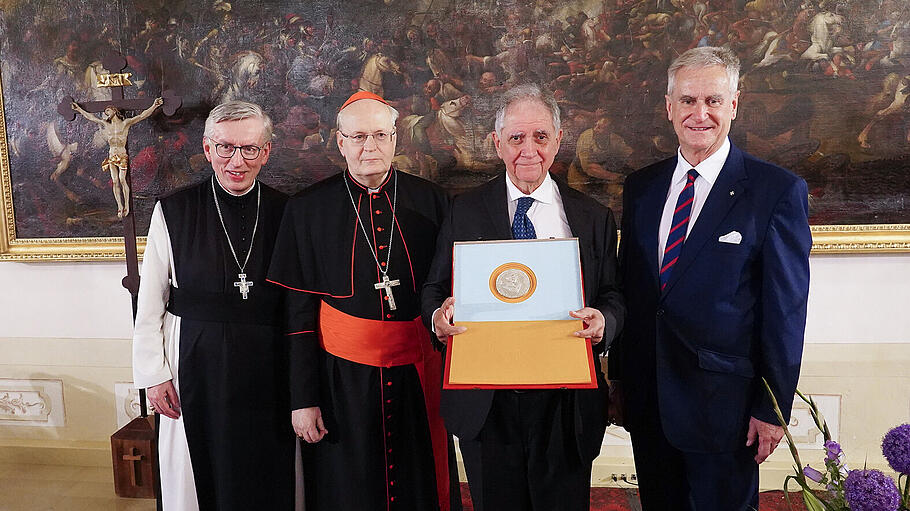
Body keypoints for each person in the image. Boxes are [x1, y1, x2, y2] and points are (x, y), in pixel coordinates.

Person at [609, 46, 811, 510]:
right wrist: (619, 378)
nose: (700, 113)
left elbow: (785, 311)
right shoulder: (641, 187)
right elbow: (633, 290)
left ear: (733, 105)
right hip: (649, 400)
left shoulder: (775, 191)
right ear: (669, 107)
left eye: (713, 101)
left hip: (726, 408)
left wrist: (772, 408)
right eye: (687, 101)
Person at [422, 83, 624, 511]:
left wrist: (605, 319)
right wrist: (438, 318)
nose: (528, 150)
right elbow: (434, 290)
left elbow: (613, 294)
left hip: (565, 407)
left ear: (558, 140)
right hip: (487, 404)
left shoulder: (591, 216)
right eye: (516, 138)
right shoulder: (465, 210)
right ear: (497, 143)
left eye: (540, 137)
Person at [266, 90, 460, 511]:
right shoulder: (307, 210)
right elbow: (298, 317)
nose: (368, 146)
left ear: (395, 139)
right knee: (348, 490)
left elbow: (452, 292)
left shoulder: (433, 202)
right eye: (357, 137)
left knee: (420, 485)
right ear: (340, 142)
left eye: (379, 135)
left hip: (418, 372)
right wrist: (303, 399)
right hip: (340, 380)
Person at [132, 101, 296, 510]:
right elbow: (151, 299)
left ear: (267, 151)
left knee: (268, 469)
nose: (236, 161)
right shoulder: (173, 210)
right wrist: (154, 374)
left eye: (249, 149)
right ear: (207, 149)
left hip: (270, 361)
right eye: (225, 148)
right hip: (193, 360)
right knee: (193, 473)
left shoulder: (287, 211)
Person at [71, 97, 163, 218]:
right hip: (111, 155)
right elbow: (91, 117)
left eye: (108, 111)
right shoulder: (106, 125)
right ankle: (120, 206)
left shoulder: (125, 124)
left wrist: (154, 106)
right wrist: (79, 109)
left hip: (121, 155)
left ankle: (127, 206)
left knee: (122, 179)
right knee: (115, 181)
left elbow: (141, 116)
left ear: (114, 111)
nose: (106, 113)